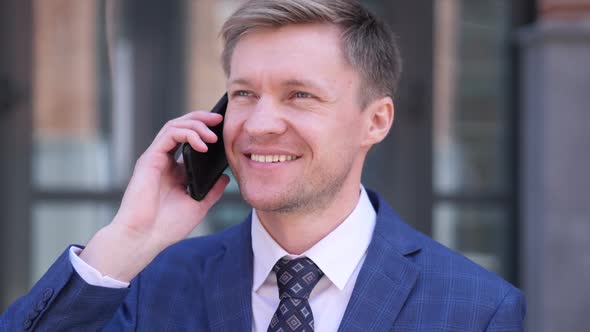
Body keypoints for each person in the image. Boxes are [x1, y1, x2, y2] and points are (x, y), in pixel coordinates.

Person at [0, 0, 525, 331]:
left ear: (377, 120)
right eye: (244, 93)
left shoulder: (477, 309)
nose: (259, 124)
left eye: (299, 95)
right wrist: (127, 239)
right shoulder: (143, 282)